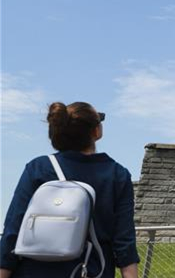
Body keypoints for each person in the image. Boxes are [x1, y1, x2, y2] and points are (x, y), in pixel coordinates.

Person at [0, 102, 139, 278]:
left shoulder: (38, 168)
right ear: (96, 131)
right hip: (90, 271)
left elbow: (13, 229)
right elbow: (124, 241)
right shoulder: (117, 174)